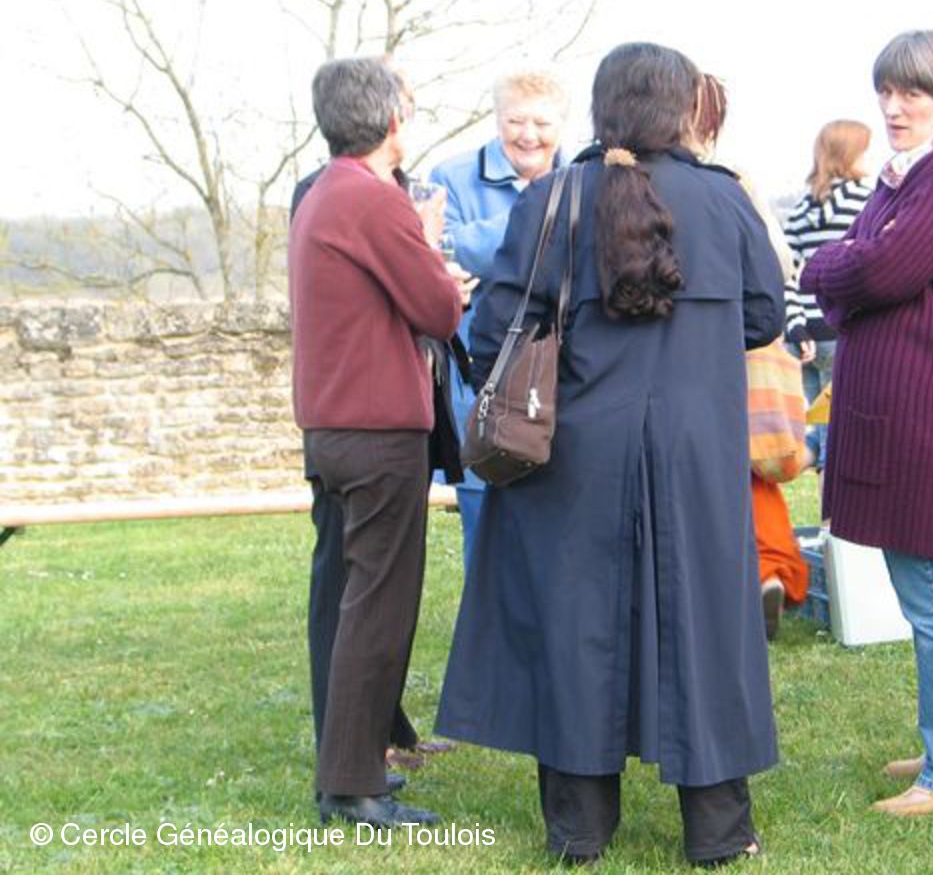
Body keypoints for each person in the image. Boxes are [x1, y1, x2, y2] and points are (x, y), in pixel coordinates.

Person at [435, 43, 784, 864]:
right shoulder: (723, 198)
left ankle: (580, 828)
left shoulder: (553, 197)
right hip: (694, 449)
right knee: (704, 622)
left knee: (573, 623)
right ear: (682, 108)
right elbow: (765, 315)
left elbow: (494, 332)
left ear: (602, 107)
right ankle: (719, 829)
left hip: (572, 449)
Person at [799, 30, 933, 816]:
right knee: (923, 585)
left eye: (910, 92)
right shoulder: (911, 171)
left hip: (920, 399)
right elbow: (866, 256)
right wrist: (855, 262)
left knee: (931, 588)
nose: (892, 106)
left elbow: (880, 266)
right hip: (896, 393)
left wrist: (830, 267)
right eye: (885, 91)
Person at [289, 56, 464, 827]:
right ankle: (353, 784)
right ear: (392, 120)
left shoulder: (324, 192)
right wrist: (429, 247)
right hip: (377, 428)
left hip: (333, 424)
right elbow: (439, 310)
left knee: (354, 599)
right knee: (377, 607)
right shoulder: (373, 198)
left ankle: (347, 771)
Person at [428, 68, 570, 573]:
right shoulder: (451, 178)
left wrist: (486, 247)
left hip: (563, 381)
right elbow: (445, 255)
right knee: (485, 531)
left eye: (542, 123)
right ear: (496, 119)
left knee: (560, 530)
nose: (528, 135)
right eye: (515, 121)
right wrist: (548, 215)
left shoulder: (582, 176)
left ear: (562, 123)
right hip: (484, 384)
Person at [688, 73, 810, 640]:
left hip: (694, 354)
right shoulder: (735, 183)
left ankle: (731, 584)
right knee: (753, 473)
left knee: (701, 479)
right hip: (746, 346)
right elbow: (778, 264)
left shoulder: (677, 182)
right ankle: (770, 570)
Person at [784, 121, 874, 472]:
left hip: (807, 337)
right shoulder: (866, 200)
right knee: (840, 438)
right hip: (844, 330)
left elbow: (785, 275)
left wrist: (796, 326)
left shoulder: (799, 210)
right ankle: (830, 507)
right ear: (851, 154)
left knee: (822, 429)